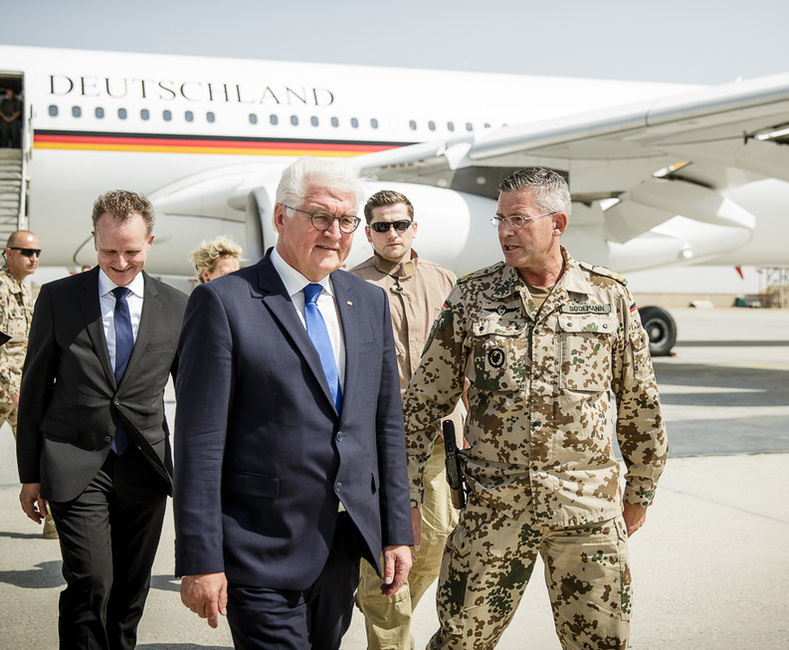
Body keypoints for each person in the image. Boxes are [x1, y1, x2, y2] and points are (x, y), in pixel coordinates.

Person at [402, 167, 668, 650]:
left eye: (518, 219)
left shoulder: (608, 295)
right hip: (492, 511)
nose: (505, 230)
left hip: (586, 511)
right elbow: (422, 404)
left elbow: (640, 404)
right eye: (500, 220)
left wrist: (641, 491)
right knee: (460, 642)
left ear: (558, 223)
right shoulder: (473, 296)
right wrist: (407, 496)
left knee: (600, 644)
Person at [174, 158, 414, 650]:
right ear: (281, 217)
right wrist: (201, 558)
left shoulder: (366, 301)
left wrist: (396, 531)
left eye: (347, 221)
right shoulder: (224, 302)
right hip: (257, 546)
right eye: (320, 217)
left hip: (341, 546)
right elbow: (198, 443)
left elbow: (385, 425)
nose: (335, 232)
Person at [17, 190, 188, 649]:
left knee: (130, 591)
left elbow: (192, 398)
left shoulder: (176, 306)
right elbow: (33, 391)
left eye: (131, 251)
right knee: (90, 582)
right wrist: (29, 474)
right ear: (94, 239)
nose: (120, 261)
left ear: (149, 242)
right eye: (108, 250)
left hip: (145, 467)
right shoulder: (58, 298)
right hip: (73, 462)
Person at [349, 190, 464, 649]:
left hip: (439, 436)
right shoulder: (350, 285)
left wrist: (471, 422)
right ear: (368, 232)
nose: (391, 233)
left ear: (414, 228)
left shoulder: (445, 280)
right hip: (380, 440)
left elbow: (465, 357)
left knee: (435, 540)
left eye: (399, 224)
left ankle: (376, 601)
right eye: (381, 225)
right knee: (385, 552)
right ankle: (390, 636)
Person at [0, 230, 58, 539]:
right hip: (5, 389)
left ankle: (52, 523)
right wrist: (12, 387)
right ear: (8, 253)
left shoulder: (26, 290)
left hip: (22, 390)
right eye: (25, 252)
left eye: (37, 252)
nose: (33, 257)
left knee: (41, 454)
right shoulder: (0, 288)